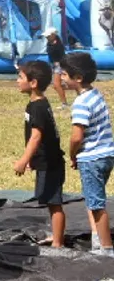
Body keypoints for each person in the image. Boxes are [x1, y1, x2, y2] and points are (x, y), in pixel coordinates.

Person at [61, 52, 114, 256]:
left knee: (97, 205)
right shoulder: (96, 94)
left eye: (64, 74)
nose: (61, 78)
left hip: (92, 158)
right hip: (106, 154)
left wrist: (73, 154)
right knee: (93, 200)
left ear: (78, 78)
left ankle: (106, 249)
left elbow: (76, 137)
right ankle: (97, 241)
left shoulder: (81, 104)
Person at [12, 61, 66, 248]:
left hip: (51, 164)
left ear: (33, 83)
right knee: (50, 200)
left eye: (20, 77)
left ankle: (58, 243)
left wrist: (23, 160)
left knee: (54, 202)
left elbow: (36, 137)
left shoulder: (38, 107)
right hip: (45, 161)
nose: (17, 81)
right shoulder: (36, 104)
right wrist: (33, 160)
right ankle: (57, 237)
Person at [41, 27, 69, 108]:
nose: (46, 38)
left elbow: (62, 56)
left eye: (48, 36)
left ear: (53, 35)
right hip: (54, 65)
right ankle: (74, 87)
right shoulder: (49, 43)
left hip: (59, 65)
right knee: (56, 86)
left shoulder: (58, 44)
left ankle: (64, 104)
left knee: (57, 85)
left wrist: (59, 63)